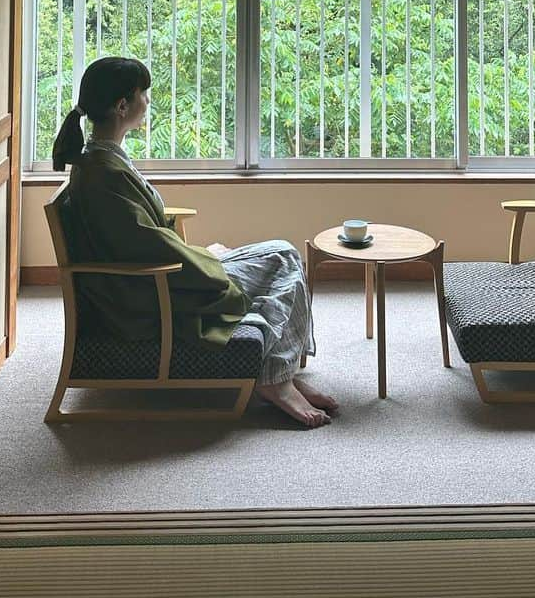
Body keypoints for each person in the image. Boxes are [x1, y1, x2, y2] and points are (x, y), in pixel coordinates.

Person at [52, 56, 338, 428]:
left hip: (166, 273)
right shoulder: (103, 174)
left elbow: (142, 235)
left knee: (284, 254)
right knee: (285, 259)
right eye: (144, 95)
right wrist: (209, 262)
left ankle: (279, 372)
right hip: (154, 292)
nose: (148, 102)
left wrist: (206, 255)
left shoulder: (102, 161)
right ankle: (276, 382)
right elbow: (145, 247)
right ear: (122, 106)